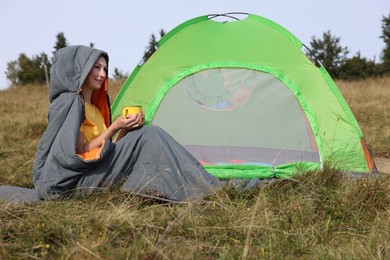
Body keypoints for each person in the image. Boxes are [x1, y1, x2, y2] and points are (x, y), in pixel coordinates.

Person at [1, 45, 221, 203]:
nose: (102, 74)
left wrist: (125, 128)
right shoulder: (72, 104)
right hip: (77, 182)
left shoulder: (94, 109)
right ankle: (205, 186)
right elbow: (79, 151)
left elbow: (108, 150)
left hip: (96, 170)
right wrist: (115, 127)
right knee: (150, 135)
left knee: (144, 134)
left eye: (104, 69)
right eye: (96, 68)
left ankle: (198, 182)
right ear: (81, 70)